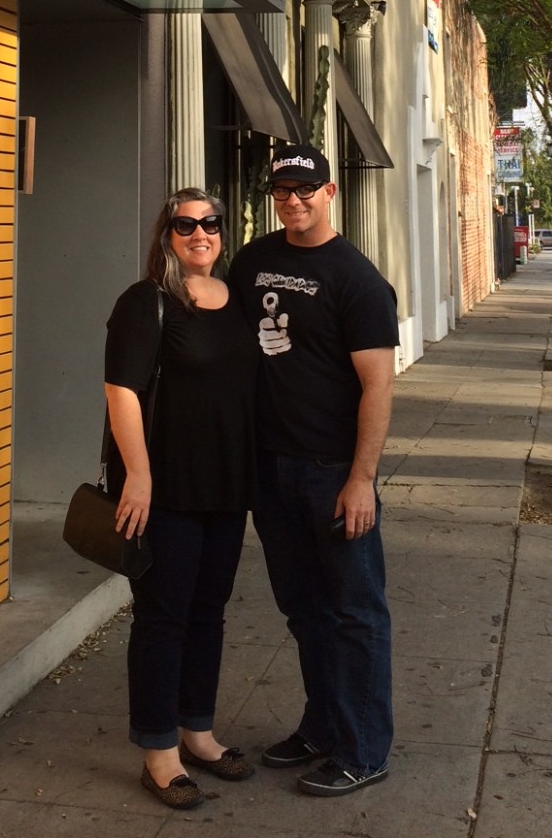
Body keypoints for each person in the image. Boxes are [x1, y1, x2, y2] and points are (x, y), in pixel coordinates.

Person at [228, 143, 399, 798]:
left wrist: (362, 478)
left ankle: (364, 748)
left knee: (356, 613)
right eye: (283, 190)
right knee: (305, 610)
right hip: (272, 470)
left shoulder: (356, 278)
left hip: (333, 472)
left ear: (330, 193)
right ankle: (324, 724)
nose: (293, 200)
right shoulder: (254, 260)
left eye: (306, 189)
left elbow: (378, 386)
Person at [104, 188, 259, 810]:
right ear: (166, 235)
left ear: (223, 231)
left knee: (209, 610)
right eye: (186, 224)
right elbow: (121, 392)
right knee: (164, 615)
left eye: (210, 223)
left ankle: (198, 731)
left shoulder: (238, 300)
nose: (200, 234)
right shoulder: (147, 303)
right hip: (163, 488)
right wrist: (137, 475)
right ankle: (159, 752)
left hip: (225, 484)